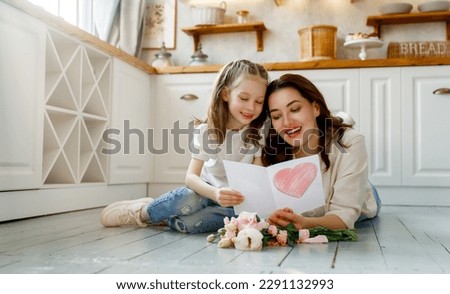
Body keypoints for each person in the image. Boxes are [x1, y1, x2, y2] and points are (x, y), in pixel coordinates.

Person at [101, 59, 269, 233]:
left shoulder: (258, 134)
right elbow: (190, 178)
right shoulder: (207, 132)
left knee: (193, 224)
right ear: (225, 94)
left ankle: (167, 216)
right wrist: (216, 194)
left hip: (230, 206)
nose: (251, 107)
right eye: (244, 98)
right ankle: (143, 212)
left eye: (259, 101)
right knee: (187, 199)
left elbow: (255, 179)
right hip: (204, 194)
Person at [263, 74, 381, 230]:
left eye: (295, 109)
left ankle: (339, 120)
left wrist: (305, 224)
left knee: (362, 188)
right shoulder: (272, 147)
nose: (286, 122)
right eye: (277, 116)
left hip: (363, 196)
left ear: (316, 108)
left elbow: (344, 217)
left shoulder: (351, 142)